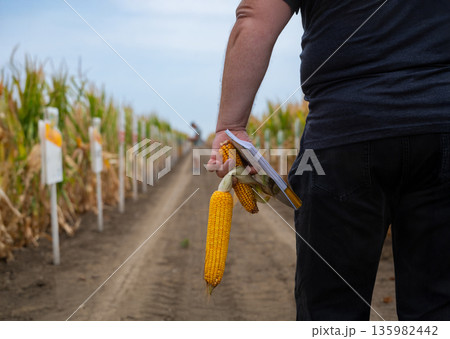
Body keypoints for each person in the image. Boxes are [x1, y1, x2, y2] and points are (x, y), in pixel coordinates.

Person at [207, 0, 450, 320]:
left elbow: (254, 19)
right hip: (441, 122)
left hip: (342, 134)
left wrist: (230, 126)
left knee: (331, 310)